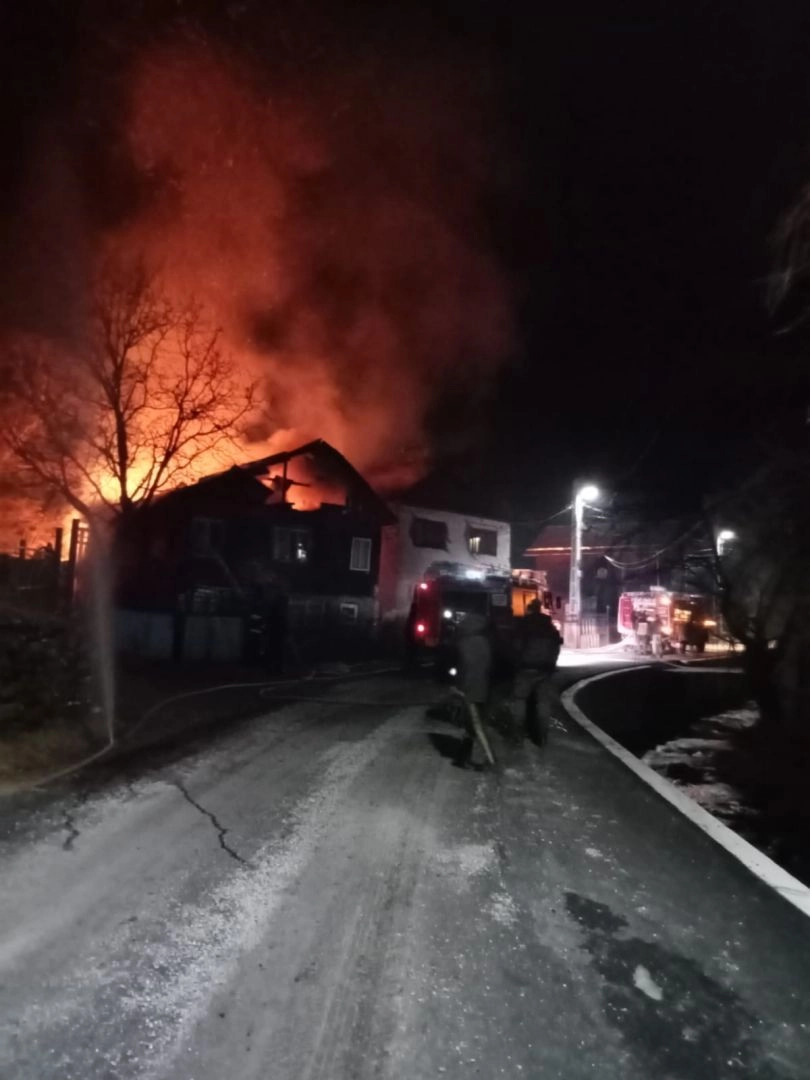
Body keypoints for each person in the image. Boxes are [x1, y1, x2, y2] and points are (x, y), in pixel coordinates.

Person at [449, 612, 496, 768]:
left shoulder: (463, 643)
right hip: (483, 687)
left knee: (475, 725)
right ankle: (464, 758)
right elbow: (489, 666)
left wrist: (458, 687)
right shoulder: (486, 642)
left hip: (469, 688)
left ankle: (489, 760)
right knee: (474, 724)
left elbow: (462, 669)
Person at [514, 599, 562, 745]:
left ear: (529, 609)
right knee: (543, 701)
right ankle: (543, 735)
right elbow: (556, 647)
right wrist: (552, 664)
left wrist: (516, 662)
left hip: (526, 668)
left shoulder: (523, 624)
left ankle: (518, 734)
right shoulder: (549, 626)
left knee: (520, 699)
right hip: (545, 669)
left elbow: (516, 646)